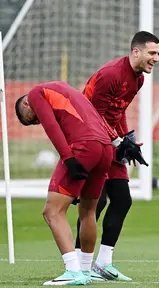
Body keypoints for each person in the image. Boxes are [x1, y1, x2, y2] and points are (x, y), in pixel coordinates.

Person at [74, 30, 159, 282]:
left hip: (110, 139)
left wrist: (127, 140)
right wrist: (118, 140)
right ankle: (79, 266)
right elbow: (95, 115)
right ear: (136, 51)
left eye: (158, 53)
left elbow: (117, 111)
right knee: (95, 203)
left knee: (122, 199)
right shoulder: (111, 74)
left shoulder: (138, 79)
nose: (156, 58)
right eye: (152, 53)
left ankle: (103, 264)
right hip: (90, 139)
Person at [15, 81, 113, 285]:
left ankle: (73, 271)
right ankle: (85, 270)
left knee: (52, 211)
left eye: (31, 120)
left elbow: (52, 128)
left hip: (84, 146)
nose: (37, 122)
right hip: (105, 148)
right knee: (88, 212)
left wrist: (68, 159)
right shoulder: (67, 90)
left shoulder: (35, 94)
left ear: (25, 104)